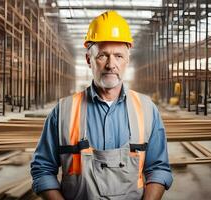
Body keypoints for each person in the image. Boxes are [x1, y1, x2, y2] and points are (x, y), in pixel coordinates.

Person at [30, 10, 173, 200]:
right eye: (103, 55)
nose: (111, 64)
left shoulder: (147, 110)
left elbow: (159, 169)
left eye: (119, 56)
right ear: (89, 59)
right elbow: (42, 170)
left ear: (127, 60)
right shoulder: (63, 111)